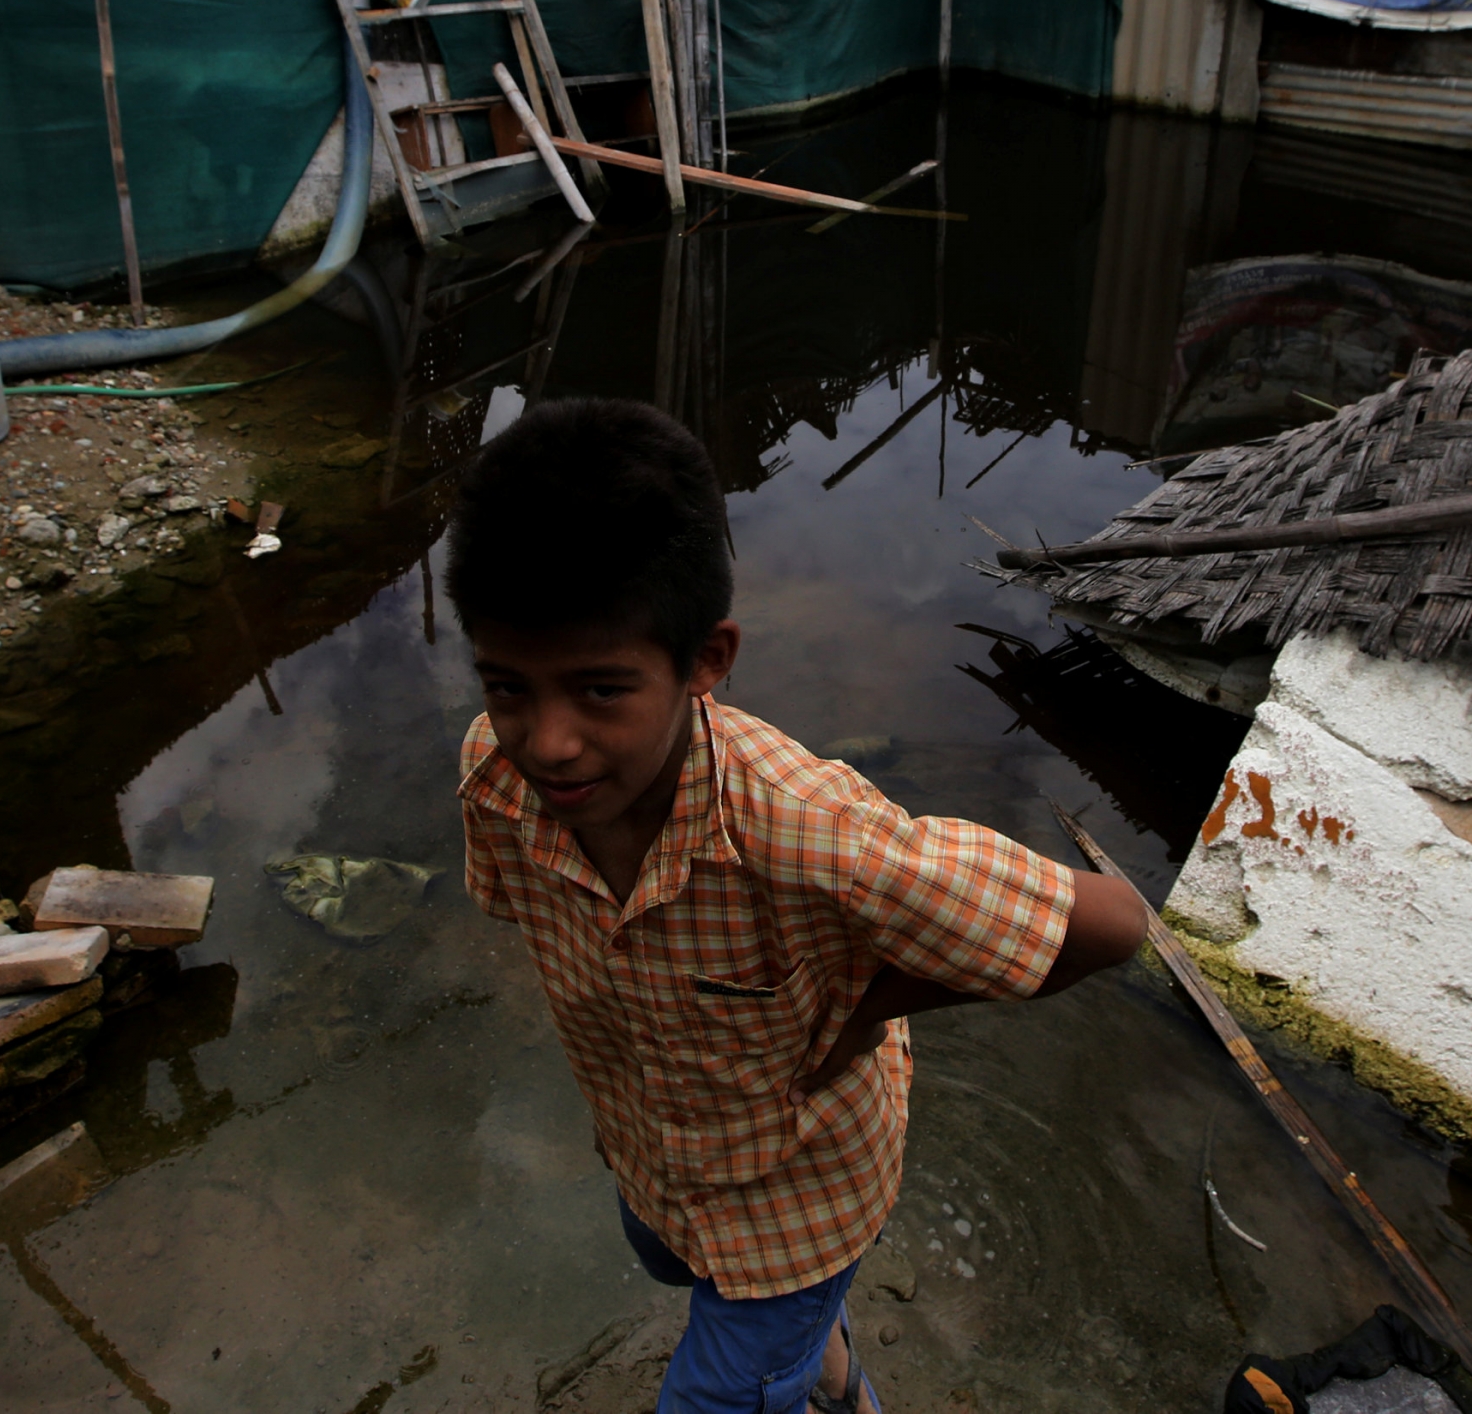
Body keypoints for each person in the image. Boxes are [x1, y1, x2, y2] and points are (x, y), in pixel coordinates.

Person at [448, 399, 1151, 1414]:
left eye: (600, 691)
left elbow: (1111, 924)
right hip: (653, 1158)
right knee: (670, 1266)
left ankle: (797, 1354)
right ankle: (828, 1372)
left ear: (706, 663)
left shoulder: (809, 834)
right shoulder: (494, 780)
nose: (547, 741)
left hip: (802, 1201)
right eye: (508, 686)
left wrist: (874, 1002)